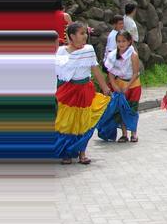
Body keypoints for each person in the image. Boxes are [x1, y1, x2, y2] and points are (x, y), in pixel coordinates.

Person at [55, 22, 111, 165]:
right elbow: (57, 72)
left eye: (85, 33)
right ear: (72, 36)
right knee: (66, 122)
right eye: (81, 33)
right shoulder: (61, 52)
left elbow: (95, 69)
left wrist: (105, 87)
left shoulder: (88, 50)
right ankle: (66, 153)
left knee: (83, 122)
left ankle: (82, 153)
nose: (85, 36)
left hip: (85, 90)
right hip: (68, 91)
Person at [101, 30, 141, 143]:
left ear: (129, 42)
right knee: (120, 109)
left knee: (132, 109)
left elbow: (135, 73)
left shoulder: (133, 55)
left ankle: (133, 133)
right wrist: (113, 84)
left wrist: (127, 86)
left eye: (124, 41)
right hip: (118, 84)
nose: (121, 44)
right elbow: (110, 71)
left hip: (133, 85)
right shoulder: (113, 55)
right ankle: (124, 134)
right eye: (119, 41)